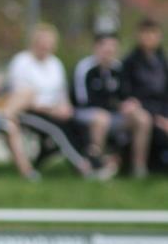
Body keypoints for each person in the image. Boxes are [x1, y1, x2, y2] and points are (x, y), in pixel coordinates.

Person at [6, 24, 102, 177]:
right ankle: (83, 166)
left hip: (55, 110)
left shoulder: (55, 64)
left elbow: (62, 93)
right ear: (34, 42)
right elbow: (21, 98)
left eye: (49, 43)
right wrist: (51, 110)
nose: (46, 46)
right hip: (31, 112)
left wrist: (65, 108)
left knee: (78, 123)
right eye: (42, 42)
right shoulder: (22, 62)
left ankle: (94, 159)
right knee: (57, 129)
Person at [72, 31, 152, 178]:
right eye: (106, 46)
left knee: (142, 118)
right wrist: (115, 106)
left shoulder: (118, 68)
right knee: (101, 118)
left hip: (112, 113)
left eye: (113, 47)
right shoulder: (85, 68)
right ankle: (97, 167)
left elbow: (124, 95)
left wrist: (130, 104)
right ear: (96, 47)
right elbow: (82, 100)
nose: (110, 50)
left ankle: (139, 167)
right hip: (85, 112)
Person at [121, 19, 168, 172]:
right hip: (140, 110)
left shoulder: (162, 62)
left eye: (153, 33)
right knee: (144, 120)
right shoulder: (130, 62)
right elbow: (128, 96)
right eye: (145, 33)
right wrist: (157, 116)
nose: (149, 37)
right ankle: (139, 167)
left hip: (161, 110)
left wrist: (164, 116)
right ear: (138, 35)